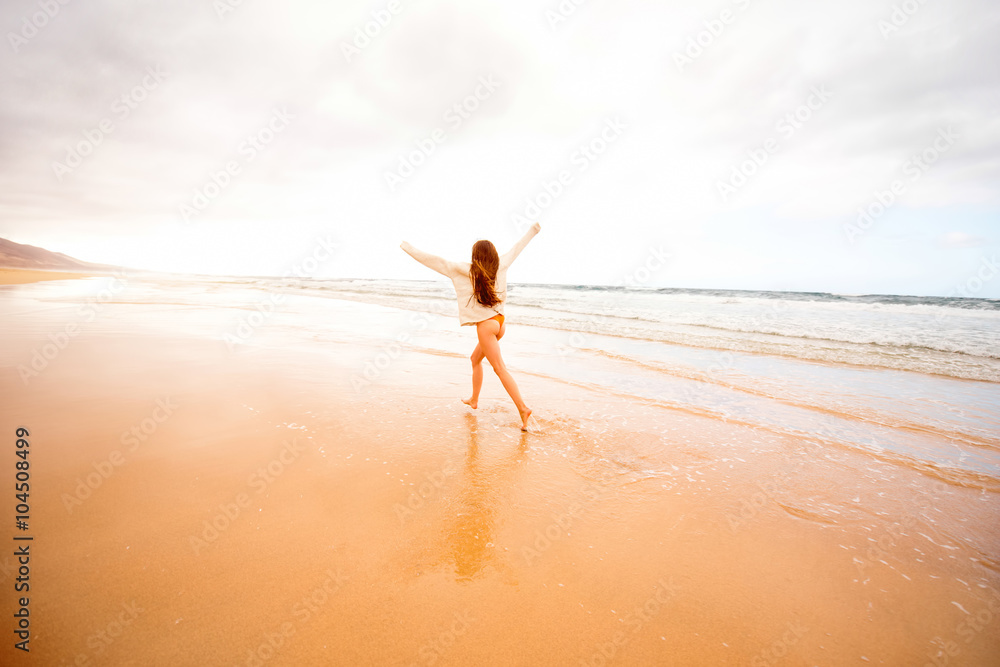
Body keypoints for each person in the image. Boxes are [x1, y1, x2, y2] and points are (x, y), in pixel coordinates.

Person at [400, 222, 540, 430]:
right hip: (500, 323)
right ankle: (474, 400)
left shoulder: (465, 270)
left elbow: (435, 261)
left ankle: (523, 408)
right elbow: (517, 248)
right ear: (493, 255)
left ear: (475, 256)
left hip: (486, 326)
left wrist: (408, 248)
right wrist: (533, 230)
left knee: (499, 369)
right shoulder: (501, 265)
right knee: (475, 359)